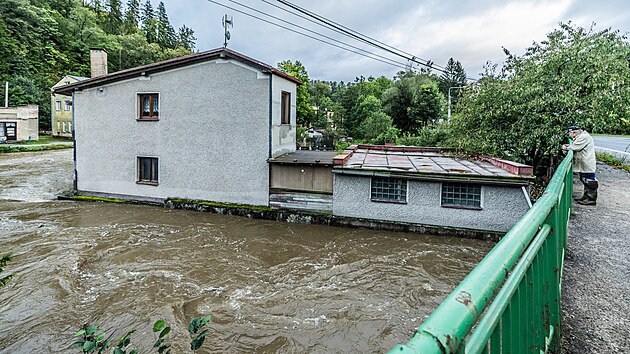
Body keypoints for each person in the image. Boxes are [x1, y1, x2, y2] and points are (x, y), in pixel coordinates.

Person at [562, 125, 598, 205]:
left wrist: (566, 147)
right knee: (584, 179)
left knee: (589, 180)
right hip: (583, 163)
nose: (569, 134)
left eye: (570, 133)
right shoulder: (581, 136)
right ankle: (586, 197)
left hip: (587, 163)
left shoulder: (584, 137)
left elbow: (575, 147)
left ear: (573, 132)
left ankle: (591, 199)